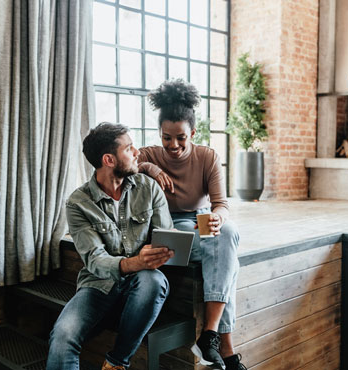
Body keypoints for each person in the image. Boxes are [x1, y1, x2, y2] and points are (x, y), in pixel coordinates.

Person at [46, 123, 175, 370]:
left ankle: (116, 363)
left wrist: (162, 252)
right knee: (62, 335)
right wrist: (135, 261)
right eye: (129, 148)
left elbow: (166, 237)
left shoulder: (148, 188)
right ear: (109, 159)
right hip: (98, 285)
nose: (137, 152)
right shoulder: (78, 203)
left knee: (154, 280)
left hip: (141, 283)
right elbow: (94, 260)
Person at [138, 79, 245, 370]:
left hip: (200, 221)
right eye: (167, 138)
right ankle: (226, 348)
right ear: (160, 134)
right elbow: (126, 164)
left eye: (181, 138)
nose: (173, 145)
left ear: (193, 133)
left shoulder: (207, 156)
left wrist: (218, 216)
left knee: (229, 233)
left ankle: (208, 333)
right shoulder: (149, 154)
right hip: (170, 227)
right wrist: (151, 167)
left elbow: (221, 203)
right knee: (227, 261)